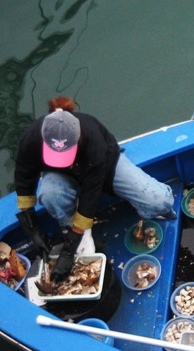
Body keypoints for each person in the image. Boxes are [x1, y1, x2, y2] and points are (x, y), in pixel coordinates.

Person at [15, 97, 175, 282]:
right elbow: (23, 178)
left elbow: (91, 194)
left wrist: (69, 249)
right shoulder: (31, 137)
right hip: (60, 175)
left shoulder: (92, 137)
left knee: (159, 201)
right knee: (49, 194)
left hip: (105, 166)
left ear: (78, 139)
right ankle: (68, 225)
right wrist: (33, 230)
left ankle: (78, 233)